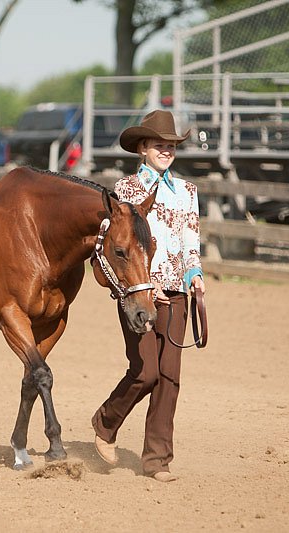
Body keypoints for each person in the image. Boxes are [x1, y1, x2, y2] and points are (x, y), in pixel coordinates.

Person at [91, 109, 206, 483]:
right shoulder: (126, 192)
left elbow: (190, 239)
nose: (166, 151)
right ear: (143, 148)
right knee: (145, 373)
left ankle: (157, 460)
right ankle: (106, 422)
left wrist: (195, 274)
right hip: (141, 294)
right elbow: (124, 247)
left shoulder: (188, 192)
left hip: (177, 295)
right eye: (159, 145)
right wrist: (147, 282)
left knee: (169, 378)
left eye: (171, 146)